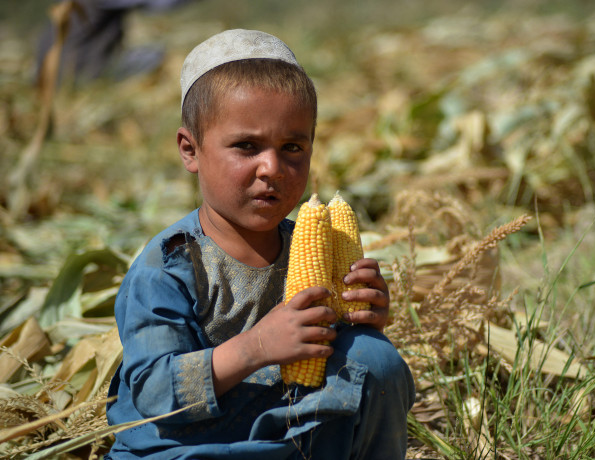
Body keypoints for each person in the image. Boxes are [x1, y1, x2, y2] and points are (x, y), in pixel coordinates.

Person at [105, 29, 415, 459]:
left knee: (374, 358)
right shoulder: (168, 268)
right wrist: (257, 347)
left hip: (275, 433)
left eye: (292, 147)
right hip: (182, 446)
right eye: (247, 146)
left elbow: (335, 359)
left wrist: (361, 320)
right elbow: (154, 395)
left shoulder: (311, 247)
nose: (272, 167)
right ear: (190, 150)